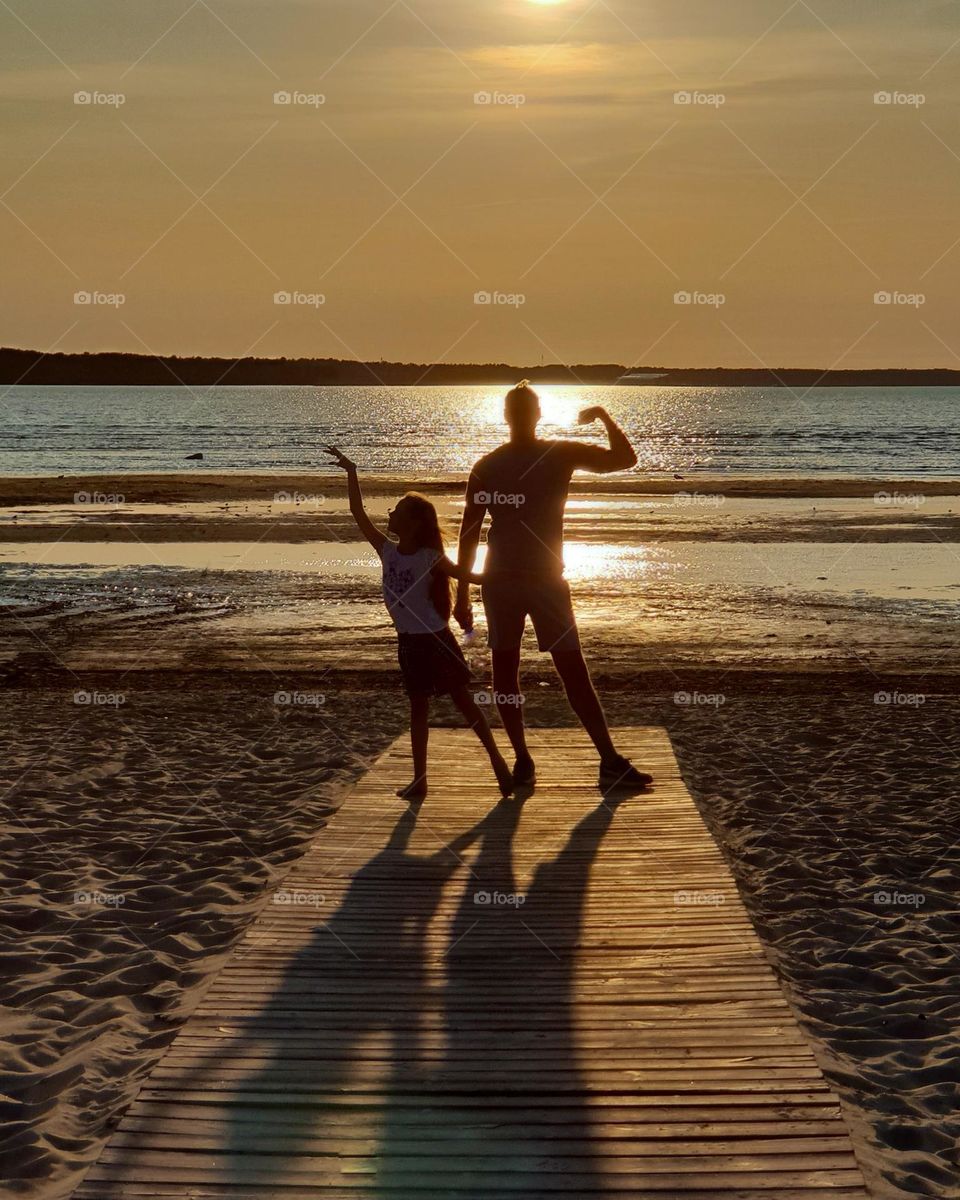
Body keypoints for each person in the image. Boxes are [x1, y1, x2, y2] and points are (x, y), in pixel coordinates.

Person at [453, 383, 653, 791]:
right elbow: (469, 532)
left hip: (541, 579)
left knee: (568, 668)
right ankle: (525, 758)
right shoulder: (491, 465)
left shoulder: (553, 454)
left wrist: (602, 414)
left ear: (528, 415)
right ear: (512, 416)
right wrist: (460, 594)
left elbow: (625, 459)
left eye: (526, 410)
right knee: (509, 671)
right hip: (505, 580)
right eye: (520, 410)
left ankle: (603, 759)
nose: (524, 417)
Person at [326, 445, 513, 801]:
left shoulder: (430, 557)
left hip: (437, 640)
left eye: (396, 510)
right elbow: (356, 512)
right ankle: (420, 780)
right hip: (410, 643)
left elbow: (468, 575)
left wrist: (509, 575)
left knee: (465, 703)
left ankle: (498, 764)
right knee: (418, 711)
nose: (390, 513)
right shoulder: (387, 550)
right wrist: (351, 471)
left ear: (411, 522)